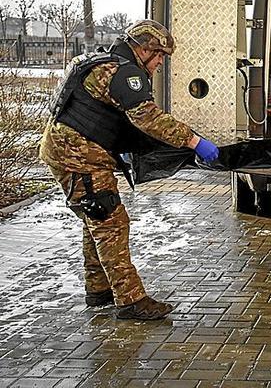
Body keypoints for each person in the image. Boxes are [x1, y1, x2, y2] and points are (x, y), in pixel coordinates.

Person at [39, 19, 220, 320]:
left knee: (95, 218)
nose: (160, 62)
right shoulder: (123, 72)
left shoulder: (102, 62)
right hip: (79, 155)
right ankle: (131, 300)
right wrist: (194, 140)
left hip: (69, 150)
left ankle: (98, 290)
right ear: (143, 48)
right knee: (111, 222)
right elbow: (149, 118)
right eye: (159, 55)